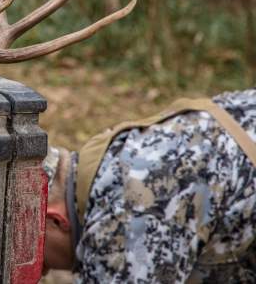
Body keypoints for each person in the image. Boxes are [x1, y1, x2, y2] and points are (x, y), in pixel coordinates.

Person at [42, 88, 256, 282]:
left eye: (41, 262)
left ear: (57, 220)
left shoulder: (125, 217)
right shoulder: (123, 164)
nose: (42, 272)